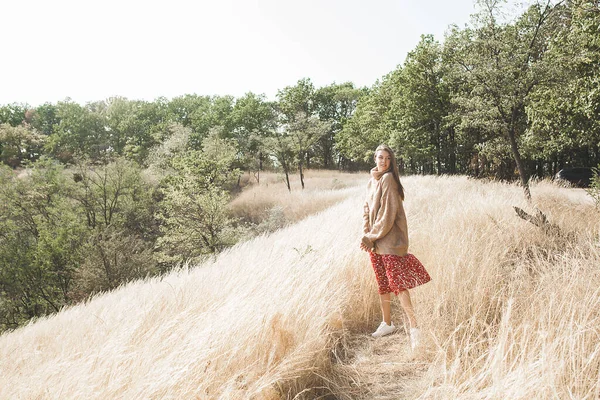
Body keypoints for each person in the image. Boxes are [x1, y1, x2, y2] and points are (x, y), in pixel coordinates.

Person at [360, 144, 431, 350]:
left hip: (389, 241)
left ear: (391, 162)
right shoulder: (371, 182)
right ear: (374, 158)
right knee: (382, 283)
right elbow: (366, 210)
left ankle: (415, 329)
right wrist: (367, 235)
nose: (383, 161)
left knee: (398, 284)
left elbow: (387, 215)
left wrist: (372, 236)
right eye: (380, 157)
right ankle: (387, 323)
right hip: (375, 241)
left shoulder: (389, 179)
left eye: (387, 159)